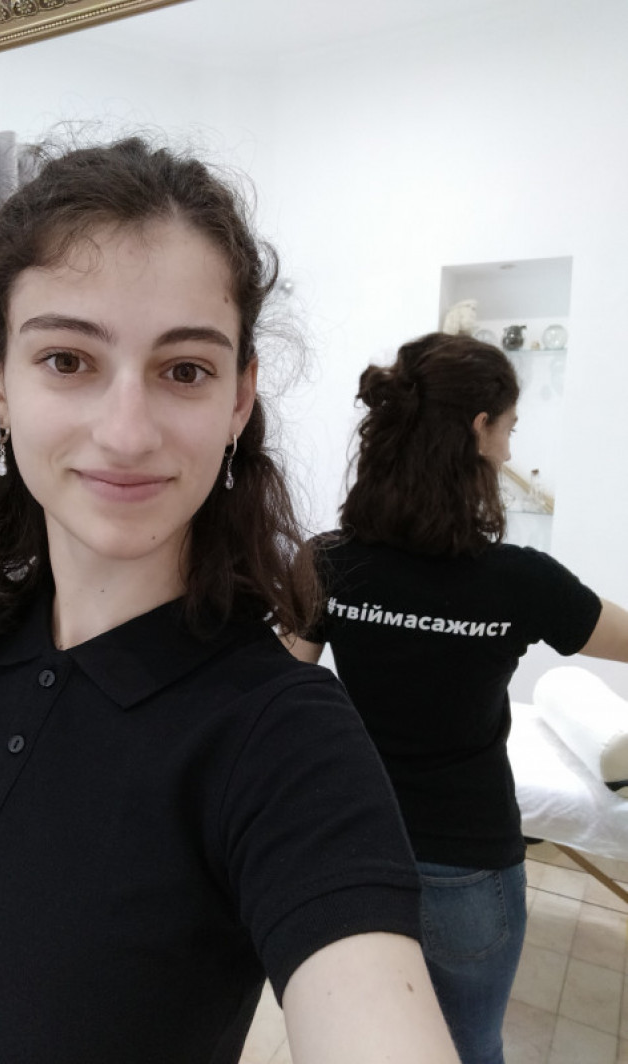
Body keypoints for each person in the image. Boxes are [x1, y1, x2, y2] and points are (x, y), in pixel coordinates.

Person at [0, 140, 460, 1063]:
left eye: (184, 371)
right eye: (67, 359)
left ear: (239, 398)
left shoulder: (283, 740)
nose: (127, 433)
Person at [285, 331, 628, 1064]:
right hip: (469, 865)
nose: (508, 449)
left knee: (372, 1045)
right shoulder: (522, 580)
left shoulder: (328, 562)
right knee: (470, 1048)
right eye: (509, 429)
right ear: (478, 429)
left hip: (356, 849)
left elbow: (280, 694)